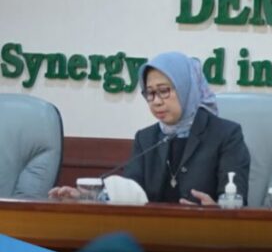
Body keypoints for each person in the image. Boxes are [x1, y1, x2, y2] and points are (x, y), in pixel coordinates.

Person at [49, 51, 250, 205]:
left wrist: (215, 211)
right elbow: (129, 193)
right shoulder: (146, 138)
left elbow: (237, 203)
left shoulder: (226, 135)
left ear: (186, 89)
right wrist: (88, 198)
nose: (156, 101)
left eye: (164, 91)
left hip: (206, 238)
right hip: (150, 236)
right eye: (150, 93)